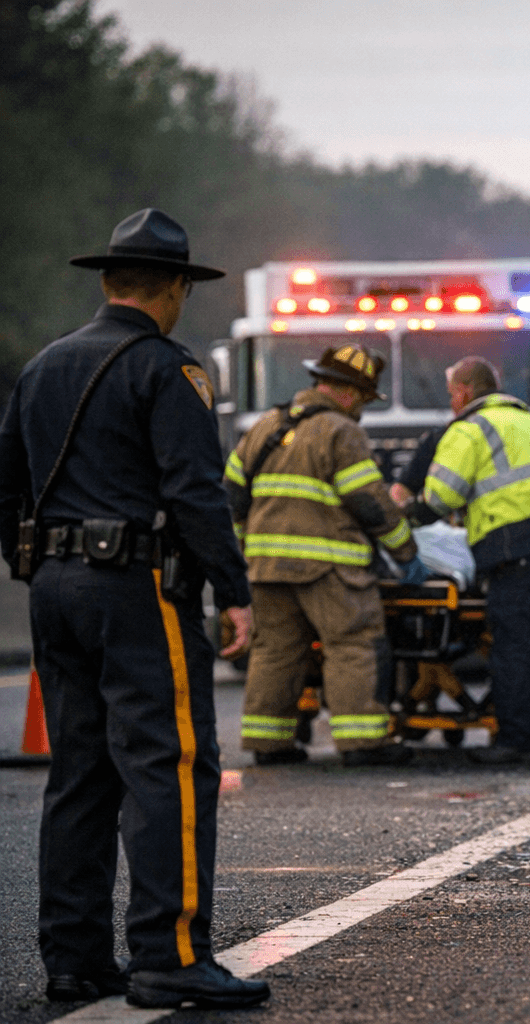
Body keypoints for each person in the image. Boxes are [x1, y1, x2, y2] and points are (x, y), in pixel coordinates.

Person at [0, 209, 269, 1009]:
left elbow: (7, 482)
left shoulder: (44, 366)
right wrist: (235, 591)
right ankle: (172, 954)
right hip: (139, 589)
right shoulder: (168, 369)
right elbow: (195, 492)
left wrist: (34, 567)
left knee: (81, 773)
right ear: (176, 289)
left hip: (54, 587)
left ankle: (74, 959)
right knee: (171, 767)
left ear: (109, 281)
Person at [225, 344, 426, 767]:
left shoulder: (264, 426)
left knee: (275, 650)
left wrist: (245, 548)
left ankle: (269, 743)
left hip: (265, 566)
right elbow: (369, 500)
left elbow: (231, 497)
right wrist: (405, 550)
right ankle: (362, 742)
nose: (363, 411)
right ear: (351, 393)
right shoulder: (340, 431)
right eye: (366, 401)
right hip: (328, 567)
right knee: (352, 643)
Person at [419, 355, 530, 763]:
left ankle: (517, 740)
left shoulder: (471, 429)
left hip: (518, 546)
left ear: (464, 391)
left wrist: (412, 517)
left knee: (514, 645)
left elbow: (439, 497)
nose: (451, 403)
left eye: (451, 395)